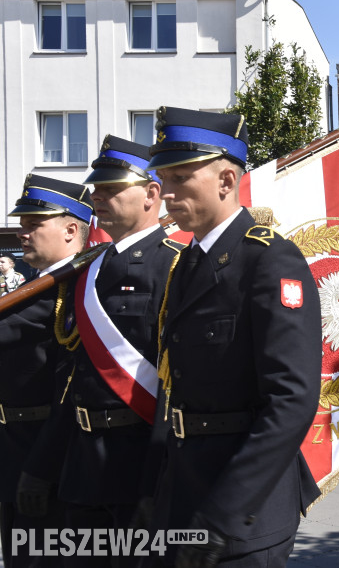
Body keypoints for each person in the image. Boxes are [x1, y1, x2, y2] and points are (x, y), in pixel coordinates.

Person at [145, 106, 322, 566]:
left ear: (226, 181)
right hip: (182, 492)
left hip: (241, 512)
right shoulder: (188, 261)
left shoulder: (269, 261)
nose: (165, 191)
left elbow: (292, 399)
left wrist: (224, 513)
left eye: (180, 176)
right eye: (164, 177)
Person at [42, 136, 183, 565]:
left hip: (140, 457)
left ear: (151, 194)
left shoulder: (176, 264)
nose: (96, 196)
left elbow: (174, 381)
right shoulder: (89, 268)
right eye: (96, 188)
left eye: (111, 189)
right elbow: (74, 374)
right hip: (84, 464)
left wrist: (154, 481)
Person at [0, 175, 93, 567]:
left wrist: (41, 465)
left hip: (45, 452)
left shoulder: (74, 288)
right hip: (13, 448)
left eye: (33, 224)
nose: (22, 233)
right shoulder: (39, 285)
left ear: (71, 229)